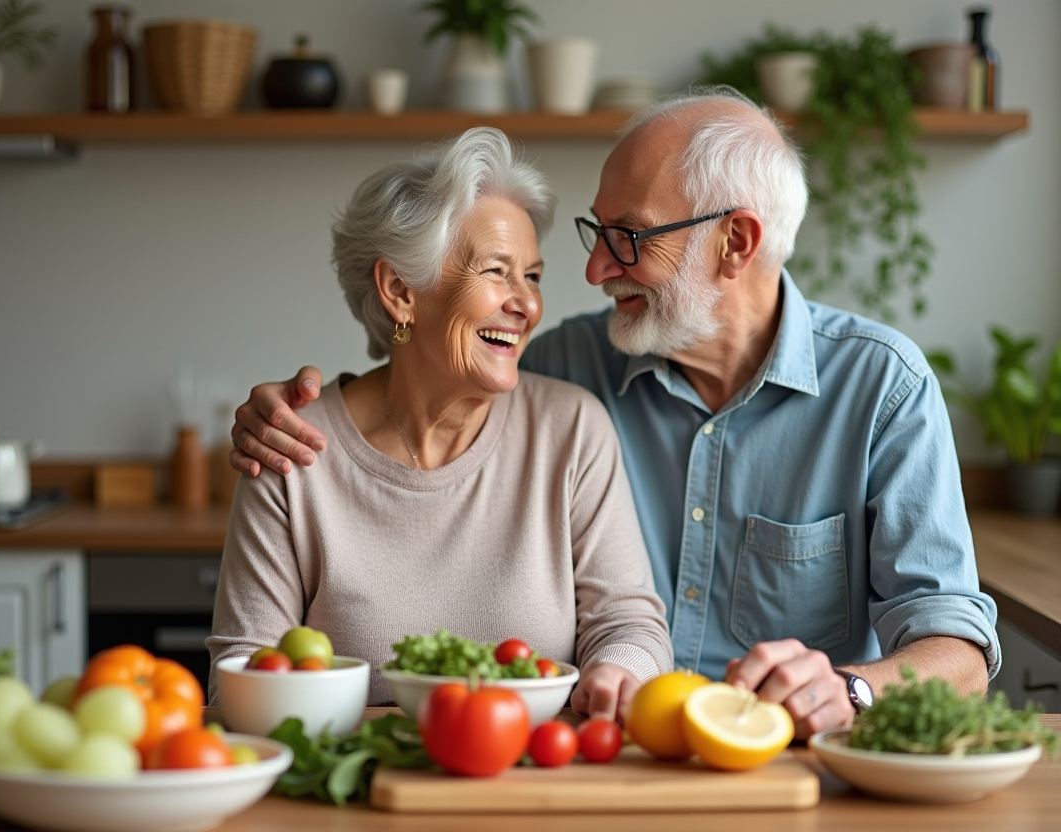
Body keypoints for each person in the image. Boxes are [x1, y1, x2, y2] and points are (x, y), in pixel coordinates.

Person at [227, 89, 1001, 739]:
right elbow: (434, 370)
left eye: (628, 238)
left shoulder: (879, 388)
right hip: (614, 771)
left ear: (735, 242)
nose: (594, 271)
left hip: (784, 769)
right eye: (597, 234)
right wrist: (288, 417)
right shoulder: (563, 371)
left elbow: (956, 647)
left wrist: (852, 692)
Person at [206, 127, 674, 720]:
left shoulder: (572, 429)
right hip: (360, 794)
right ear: (401, 291)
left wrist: (619, 672)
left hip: (533, 786)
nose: (527, 305)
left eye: (531, 276)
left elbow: (629, 622)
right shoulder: (292, 448)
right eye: (497, 272)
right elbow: (238, 678)